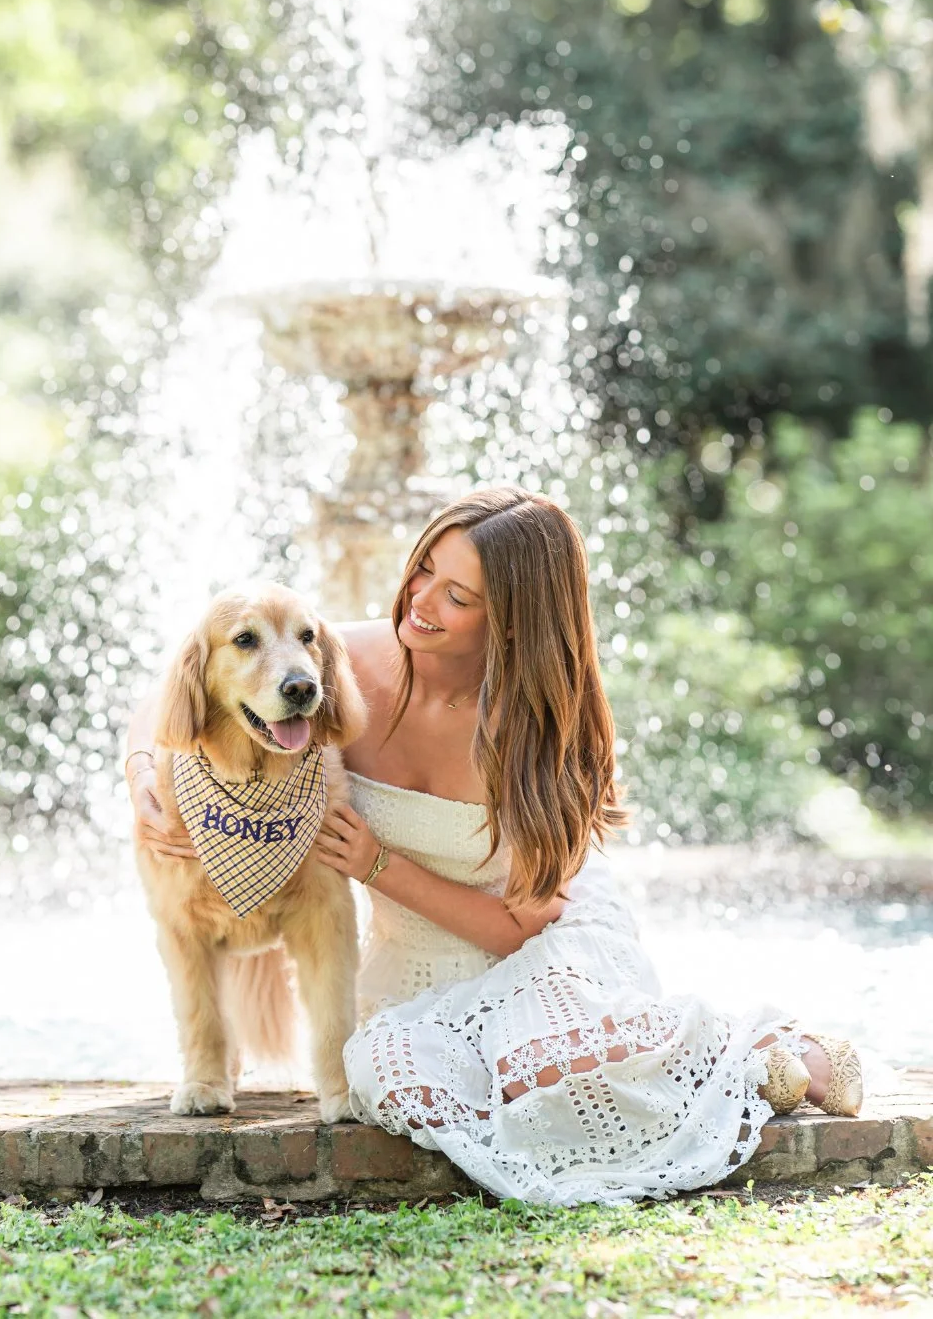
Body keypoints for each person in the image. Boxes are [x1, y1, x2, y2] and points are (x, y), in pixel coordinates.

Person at [126, 486, 862, 1205]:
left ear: (512, 620)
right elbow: (182, 682)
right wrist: (141, 775)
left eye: (458, 596)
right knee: (391, 1080)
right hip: (412, 958)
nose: (420, 601)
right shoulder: (333, 659)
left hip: (540, 944)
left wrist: (377, 865)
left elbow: (523, 924)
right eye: (423, 570)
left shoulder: (546, 725)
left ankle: (768, 1053)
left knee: (543, 1070)